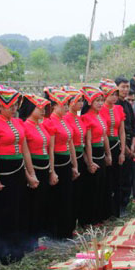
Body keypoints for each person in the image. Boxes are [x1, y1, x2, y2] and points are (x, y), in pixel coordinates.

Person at [0, 85, 36, 265]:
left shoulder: (18, 123)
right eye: (10, 105)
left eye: (16, 105)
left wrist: (30, 173)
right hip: (3, 168)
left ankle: (16, 248)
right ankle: (1, 252)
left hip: (18, 168)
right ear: (0, 106)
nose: (14, 108)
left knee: (18, 209)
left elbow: (25, 150)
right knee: (3, 211)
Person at [43, 88, 79, 239]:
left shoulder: (64, 120)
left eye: (67, 104)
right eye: (63, 104)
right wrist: (52, 170)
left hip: (66, 161)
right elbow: (50, 149)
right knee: (57, 198)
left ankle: (67, 229)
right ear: (53, 106)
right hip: (56, 161)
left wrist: (74, 165)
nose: (66, 107)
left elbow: (70, 143)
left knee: (67, 197)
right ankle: (56, 232)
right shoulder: (49, 121)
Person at [18, 94, 50, 250]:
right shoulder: (25, 126)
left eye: (44, 108)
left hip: (44, 165)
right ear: (31, 108)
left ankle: (36, 239)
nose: (43, 111)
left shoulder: (41, 125)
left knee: (41, 203)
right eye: (40, 107)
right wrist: (30, 173)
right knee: (31, 204)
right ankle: (28, 240)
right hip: (33, 166)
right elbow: (25, 152)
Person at [80, 86, 113, 225]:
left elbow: (105, 136)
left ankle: (100, 216)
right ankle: (90, 219)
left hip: (101, 152)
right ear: (89, 103)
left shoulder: (101, 117)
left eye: (101, 100)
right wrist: (89, 161)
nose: (100, 103)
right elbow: (87, 141)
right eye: (97, 101)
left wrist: (108, 154)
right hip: (92, 152)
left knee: (101, 186)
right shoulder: (86, 118)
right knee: (91, 188)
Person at [100, 80, 127, 217]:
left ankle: (117, 210)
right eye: (112, 94)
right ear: (105, 95)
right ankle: (106, 210)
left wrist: (122, 151)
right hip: (105, 147)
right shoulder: (100, 109)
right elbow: (102, 132)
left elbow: (122, 131)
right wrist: (107, 153)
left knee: (118, 178)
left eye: (116, 94)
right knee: (106, 180)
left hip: (116, 145)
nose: (115, 97)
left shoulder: (119, 109)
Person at [62, 86, 87, 231]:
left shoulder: (79, 118)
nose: (81, 104)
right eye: (78, 101)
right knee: (70, 193)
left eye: (82, 101)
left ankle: (78, 222)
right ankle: (69, 225)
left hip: (80, 154)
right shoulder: (66, 119)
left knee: (80, 192)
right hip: (71, 157)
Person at [115, 77, 135, 214]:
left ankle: (125, 203)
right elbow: (117, 130)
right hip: (120, 145)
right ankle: (119, 206)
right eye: (122, 87)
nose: (125, 90)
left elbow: (134, 127)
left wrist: (133, 146)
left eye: (127, 87)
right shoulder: (115, 105)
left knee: (128, 176)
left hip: (130, 143)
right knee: (120, 177)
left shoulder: (128, 105)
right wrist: (126, 149)